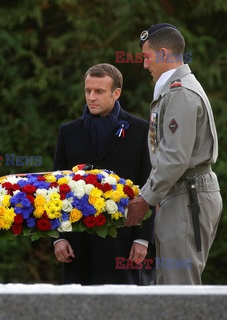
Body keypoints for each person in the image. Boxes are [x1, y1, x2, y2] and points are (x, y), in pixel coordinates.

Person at [125, 23, 222, 285]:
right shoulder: (173, 90)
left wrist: (146, 197)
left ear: (165, 53)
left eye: (147, 57)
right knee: (169, 287)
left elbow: (175, 158)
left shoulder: (180, 93)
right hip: (180, 193)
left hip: (188, 195)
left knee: (180, 289)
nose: (145, 65)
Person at [53, 63, 155, 285]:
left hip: (123, 241)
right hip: (77, 241)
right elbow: (55, 188)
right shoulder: (68, 132)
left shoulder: (139, 130)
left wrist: (143, 238)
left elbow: (150, 186)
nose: (91, 97)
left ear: (116, 93)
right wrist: (59, 238)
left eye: (99, 91)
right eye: (88, 90)